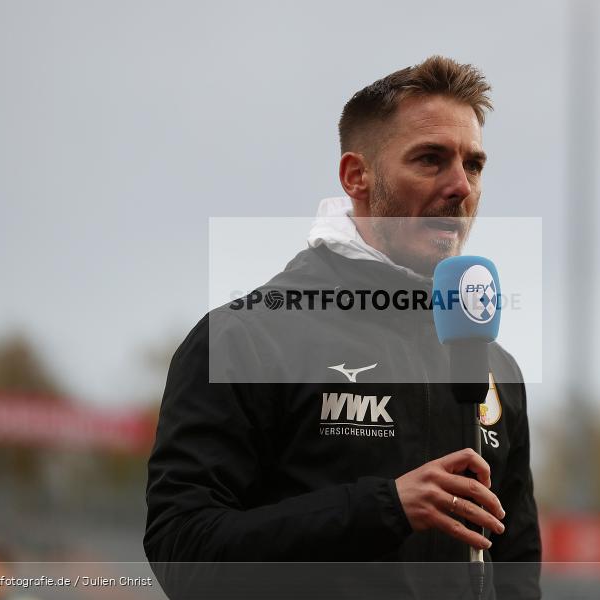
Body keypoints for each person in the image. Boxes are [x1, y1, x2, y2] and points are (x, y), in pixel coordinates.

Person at [144, 56, 541, 598]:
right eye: (430, 159)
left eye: (473, 165)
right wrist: (384, 508)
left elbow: (515, 565)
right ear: (357, 176)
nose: (460, 187)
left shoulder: (492, 363)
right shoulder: (244, 338)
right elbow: (182, 551)